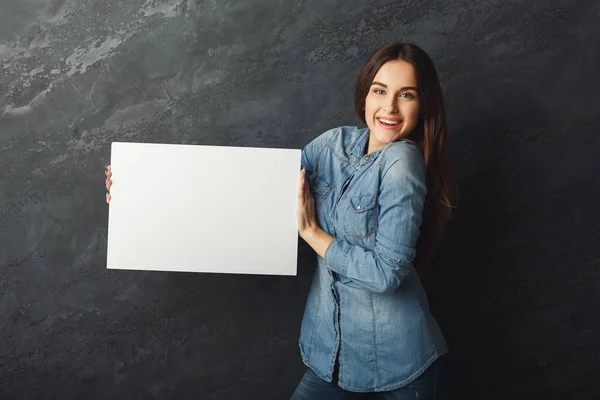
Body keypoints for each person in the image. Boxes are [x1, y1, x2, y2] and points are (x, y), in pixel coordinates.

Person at [105, 41, 456, 400]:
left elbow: (386, 274)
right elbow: (259, 188)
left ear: (423, 103)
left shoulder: (403, 162)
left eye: (406, 95)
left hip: (401, 369)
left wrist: (312, 233)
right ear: (365, 94)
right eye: (379, 90)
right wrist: (138, 193)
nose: (389, 107)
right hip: (332, 357)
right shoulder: (335, 143)